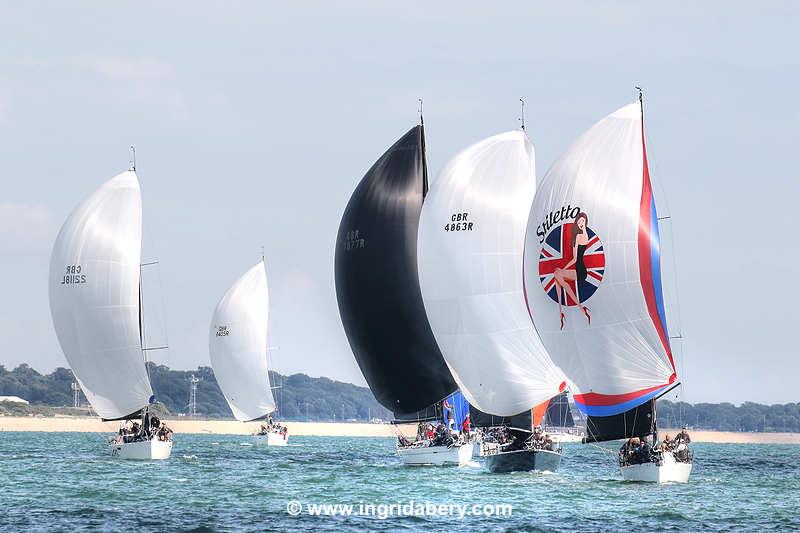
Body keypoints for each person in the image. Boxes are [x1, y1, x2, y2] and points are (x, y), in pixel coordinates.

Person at [552, 212, 592, 330]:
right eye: (579, 222)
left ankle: (577, 308)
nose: (580, 224)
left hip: (581, 270)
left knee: (557, 274)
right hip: (579, 269)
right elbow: (575, 259)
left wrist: (563, 270)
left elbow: (576, 259)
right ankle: (562, 310)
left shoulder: (580, 237)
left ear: (586, 222)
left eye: (582, 221)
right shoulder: (581, 236)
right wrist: (564, 270)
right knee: (557, 276)